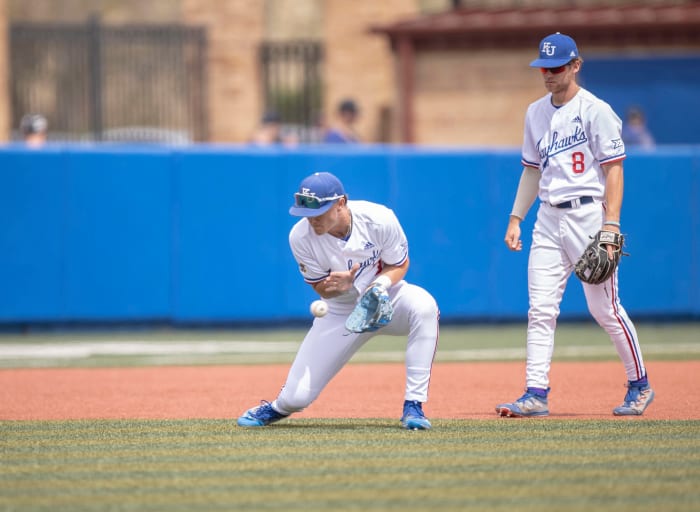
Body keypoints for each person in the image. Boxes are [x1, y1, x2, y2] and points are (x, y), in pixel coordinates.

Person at [497, 33, 654, 418]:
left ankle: (640, 384)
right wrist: (516, 217)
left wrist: (611, 224)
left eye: (557, 67)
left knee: (605, 309)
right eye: (544, 68)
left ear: (576, 65)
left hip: (587, 215)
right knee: (540, 309)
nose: (549, 74)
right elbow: (532, 171)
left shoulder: (595, 110)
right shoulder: (535, 112)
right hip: (548, 218)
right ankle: (536, 393)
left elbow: (613, 169)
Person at [237, 172, 439, 429]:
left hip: (388, 296)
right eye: (306, 214)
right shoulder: (300, 237)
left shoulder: (379, 218)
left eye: (319, 212)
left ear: (341, 202)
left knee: (424, 307)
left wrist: (378, 286)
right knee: (296, 398)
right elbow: (319, 287)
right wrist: (341, 287)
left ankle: (414, 407)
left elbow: (400, 264)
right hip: (341, 310)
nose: (312, 220)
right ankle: (278, 407)